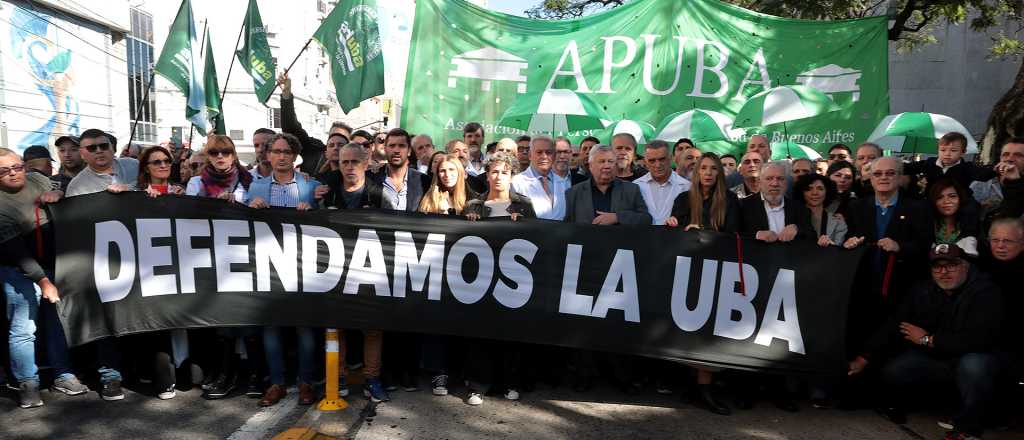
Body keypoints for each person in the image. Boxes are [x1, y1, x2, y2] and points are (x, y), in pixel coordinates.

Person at [848, 243, 1003, 440]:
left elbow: (979, 340)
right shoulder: (922, 290)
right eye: (937, 267)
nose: (943, 272)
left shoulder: (985, 291)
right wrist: (864, 357)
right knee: (895, 370)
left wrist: (927, 339)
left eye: (951, 265)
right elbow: (894, 324)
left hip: (973, 358)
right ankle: (925, 405)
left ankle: (969, 427)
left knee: (975, 366)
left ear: (965, 266)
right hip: (938, 358)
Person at [0, 148, 90, 408]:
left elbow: (62, 192)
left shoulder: (38, 179)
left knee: (58, 320)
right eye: (4, 171)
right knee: (24, 325)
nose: (14, 173)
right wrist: (44, 282)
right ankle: (27, 382)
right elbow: (17, 252)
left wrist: (58, 194)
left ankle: (63, 374)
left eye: (17, 167)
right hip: (15, 267)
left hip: (52, 261)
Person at [842, 156, 933, 402]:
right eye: (878, 174)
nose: (884, 178)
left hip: (901, 289)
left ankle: (889, 400)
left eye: (890, 173)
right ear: (869, 179)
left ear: (900, 177)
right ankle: (858, 395)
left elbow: (926, 246)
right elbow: (849, 238)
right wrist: (849, 243)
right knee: (862, 338)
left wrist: (900, 247)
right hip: (864, 287)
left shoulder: (918, 208)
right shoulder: (857, 207)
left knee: (892, 343)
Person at [246, 133, 321, 407]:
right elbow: (243, 224)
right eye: (276, 151)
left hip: (303, 267)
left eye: (286, 151)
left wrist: (313, 209)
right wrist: (250, 208)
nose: (281, 156)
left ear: (295, 155)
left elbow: (328, 221)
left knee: (304, 326)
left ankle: (305, 382)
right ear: (268, 155)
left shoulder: (311, 186)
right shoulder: (255, 187)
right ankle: (276, 382)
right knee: (272, 326)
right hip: (269, 266)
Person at [459, 152, 535, 406]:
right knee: (479, 333)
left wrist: (524, 225)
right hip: (480, 280)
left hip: (513, 280)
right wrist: (469, 223)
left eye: (504, 172)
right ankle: (477, 386)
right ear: (487, 175)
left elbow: (538, 238)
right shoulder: (474, 204)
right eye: (494, 171)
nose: (499, 176)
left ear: (512, 175)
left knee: (511, 333)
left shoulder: (524, 204)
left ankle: (511, 382)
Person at [319, 142, 389, 401]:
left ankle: (372, 379)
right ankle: (337, 377)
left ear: (366, 163)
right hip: (333, 270)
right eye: (344, 162)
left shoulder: (380, 194)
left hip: (369, 269)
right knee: (336, 325)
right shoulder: (326, 192)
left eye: (355, 162)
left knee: (372, 328)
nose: (349, 167)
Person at [278, 72, 352, 175]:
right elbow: (291, 129)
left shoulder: (357, 169)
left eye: (341, 142)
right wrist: (286, 95)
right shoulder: (313, 149)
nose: (336, 146)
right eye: (332, 140)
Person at [565, 144, 652, 225]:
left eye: (610, 161)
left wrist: (617, 217)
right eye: (602, 161)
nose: (607, 166)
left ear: (616, 165)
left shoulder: (631, 189)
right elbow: (568, 226)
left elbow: (646, 219)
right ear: (591, 166)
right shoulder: (574, 193)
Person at [739, 161, 814, 243]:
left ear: (786, 183)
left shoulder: (799, 207)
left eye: (780, 179)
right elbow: (733, 235)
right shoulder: (743, 206)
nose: (775, 184)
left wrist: (797, 229)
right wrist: (756, 235)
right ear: (759, 182)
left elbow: (812, 236)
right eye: (769, 178)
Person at [903, 132, 996, 196]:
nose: (947, 154)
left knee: (971, 208)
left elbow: (982, 173)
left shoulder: (967, 167)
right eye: (943, 150)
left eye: (953, 150)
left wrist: (996, 169)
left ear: (963, 152)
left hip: (960, 202)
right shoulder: (930, 163)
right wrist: (897, 165)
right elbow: (910, 167)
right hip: (933, 200)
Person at [65, 129, 139, 197]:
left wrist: (129, 188)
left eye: (104, 146)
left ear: (112, 148)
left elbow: (145, 186)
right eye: (91, 148)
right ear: (81, 154)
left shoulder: (135, 165)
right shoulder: (76, 187)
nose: (99, 151)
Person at [372, 128, 431, 212]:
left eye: (401, 146)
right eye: (392, 146)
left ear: (409, 151)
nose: (396, 150)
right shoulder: (370, 178)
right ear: (385, 149)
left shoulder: (423, 181)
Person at [511, 136, 568, 220]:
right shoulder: (516, 183)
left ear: (554, 156)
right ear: (530, 155)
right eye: (539, 152)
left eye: (548, 152)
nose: (544, 156)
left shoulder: (565, 183)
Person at [635, 140, 690, 225]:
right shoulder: (636, 186)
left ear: (670, 158)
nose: (658, 165)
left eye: (662, 159)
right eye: (652, 161)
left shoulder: (686, 186)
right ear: (645, 162)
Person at [971, 138, 1023, 222]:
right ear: (1000, 158)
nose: (1010, 159)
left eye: (1018, 155)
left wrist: (1014, 182)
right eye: (1005, 154)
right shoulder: (981, 184)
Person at [185, 136, 252, 202]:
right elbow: (193, 207)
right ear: (208, 157)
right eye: (214, 153)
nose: (220, 156)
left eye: (225, 152)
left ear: (233, 156)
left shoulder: (247, 180)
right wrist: (216, 200)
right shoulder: (196, 182)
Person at [793, 173, 847, 247]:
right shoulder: (792, 216)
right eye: (809, 189)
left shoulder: (838, 221)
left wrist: (831, 245)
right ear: (802, 192)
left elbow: (840, 249)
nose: (815, 193)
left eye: (820, 189)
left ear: (827, 192)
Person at [928, 178, 980, 255]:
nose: (946, 201)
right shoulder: (928, 224)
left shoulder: (971, 224)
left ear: (960, 198)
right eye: (939, 197)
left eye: (952, 196)